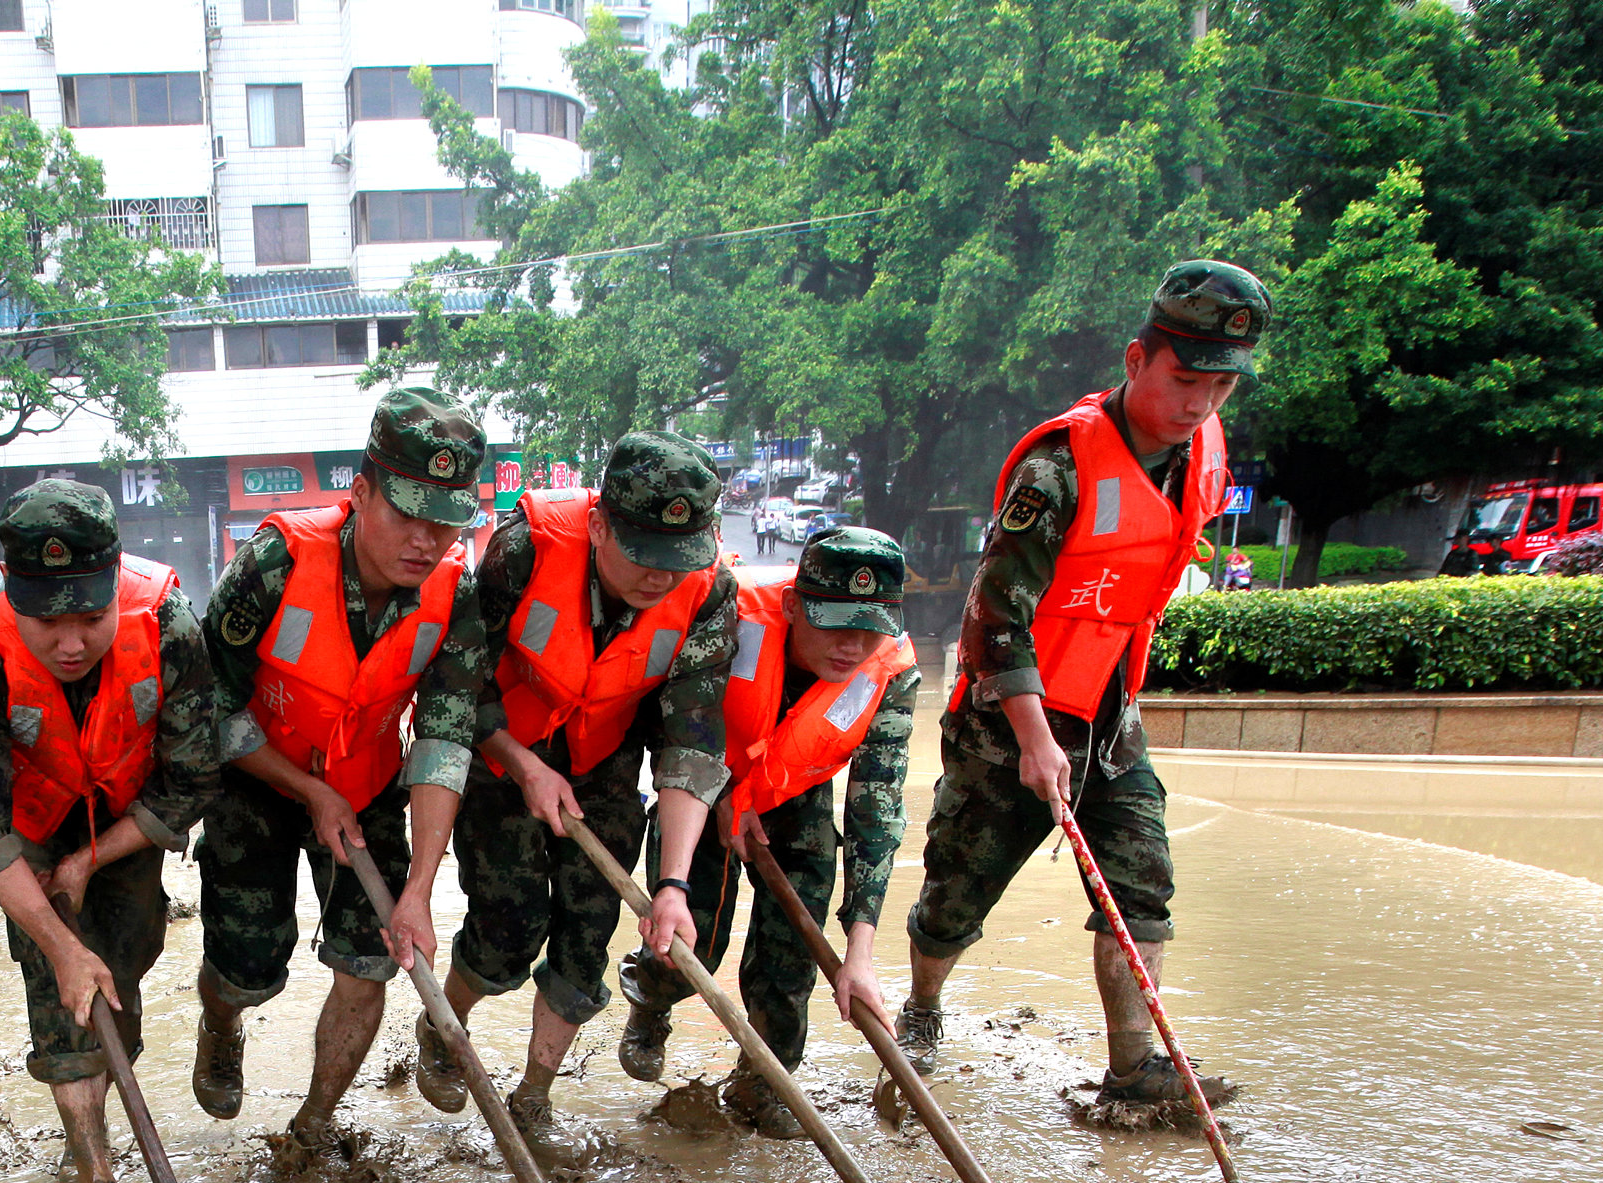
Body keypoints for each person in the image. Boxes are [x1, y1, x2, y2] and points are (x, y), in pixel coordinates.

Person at [900, 260, 1265, 1109]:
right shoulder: (1058, 470)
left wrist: (1085, 729)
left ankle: (1135, 1069)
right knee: (958, 890)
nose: (1199, 406)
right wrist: (1033, 741)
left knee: (1141, 877)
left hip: (1107, 717)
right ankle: (922, 1008)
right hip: (1008, 720)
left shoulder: (1199, 451)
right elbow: (996, 616)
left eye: (1218, 388)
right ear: (1138, 361)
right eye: (1184, 381)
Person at [396, 432, 739, 1133]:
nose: (659, 577)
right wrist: (523, 764)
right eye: (643, 552)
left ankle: (533, 1097)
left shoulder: (708, 594)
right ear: (601, 523)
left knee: (587, 939)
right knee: (508, 928)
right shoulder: (524, 551)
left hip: (604, 762)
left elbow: (690, 744)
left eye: (677, 559)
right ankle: (443, 1026)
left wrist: (672, 885)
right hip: (503, 750)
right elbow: (459, 686)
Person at [190, 388, 485, 1152]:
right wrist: (307, 789)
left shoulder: (457, 595)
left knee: (369, 962)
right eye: (407, 514)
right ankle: (221, 1022)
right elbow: (209, 703)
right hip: (256, 774)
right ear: (359, 493)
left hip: (371, 779)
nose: (426, 540)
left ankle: (312, 1129)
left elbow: (445, 739)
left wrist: (419, 887)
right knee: (249, 969)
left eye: (445, 522)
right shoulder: (275, 560)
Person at [0, 479, 218, 1183]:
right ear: (13, 598)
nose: (70, 644)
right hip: (24, 824)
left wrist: (96, 856)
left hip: (123, 819)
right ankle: (97, 1176)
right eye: (47, 622)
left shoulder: (167, 621)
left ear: (115, 582)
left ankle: (94, 1097)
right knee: (58, 980)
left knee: (119, 970)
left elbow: (193, 775)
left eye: (90, 619)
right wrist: (58, 939)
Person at [614, 527, 920, 1135]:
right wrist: (723, 792)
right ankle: (651, 1000)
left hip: (794, 790)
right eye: (833, 623)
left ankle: (765, 1079)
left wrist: (860, 949)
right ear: (792, 605)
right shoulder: (727, 615)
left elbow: (876, 807)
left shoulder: (890, 671)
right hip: (702, 779)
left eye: (870, 627)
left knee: (793, 955)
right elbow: (663, 718)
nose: (852, 645)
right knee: (692, 939)